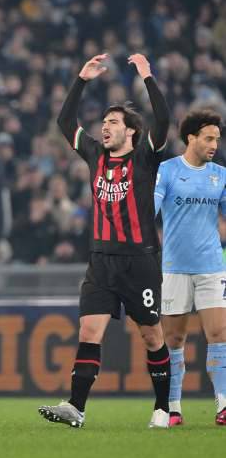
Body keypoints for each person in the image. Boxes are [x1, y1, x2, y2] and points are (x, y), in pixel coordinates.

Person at [39, 53, 171, 428]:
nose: (105, 127)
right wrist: (81, 78)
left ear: (131, 131)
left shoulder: (146, 158)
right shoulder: (95, 155)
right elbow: (65, 122)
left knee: (150, 335)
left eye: (113, 122)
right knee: (89, 330)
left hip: (139, 261)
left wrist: (147, 76)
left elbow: (162, 119)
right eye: (104, 122)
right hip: (100, 261)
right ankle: (76, 407)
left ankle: (162, 408)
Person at [154, 109, 226, 426]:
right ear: (191, 138)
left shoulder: (220, 175)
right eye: (209, 138)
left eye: (217, 139)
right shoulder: (167, 171)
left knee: (219, 334)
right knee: (174, 340)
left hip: (212, 266)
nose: (214, 145)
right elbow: (150, 211)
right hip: (174, 268)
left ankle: (223, 405)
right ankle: (174, 407)